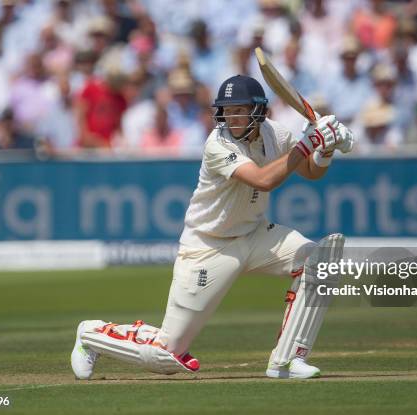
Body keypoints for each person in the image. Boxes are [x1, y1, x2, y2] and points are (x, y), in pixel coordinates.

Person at [71, 74, 354, 380]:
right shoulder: (217, 144)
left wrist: (325, 149)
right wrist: (310, 140)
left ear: (258, 111)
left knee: (319, 260)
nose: (231, 117)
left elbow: (312, 172)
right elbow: (264, 180)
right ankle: (92, 334)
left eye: (239, 110)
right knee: (166, 353)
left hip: (256, 235)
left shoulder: (276, 134)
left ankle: (286, 361)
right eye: (227, 110)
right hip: (209, 246)